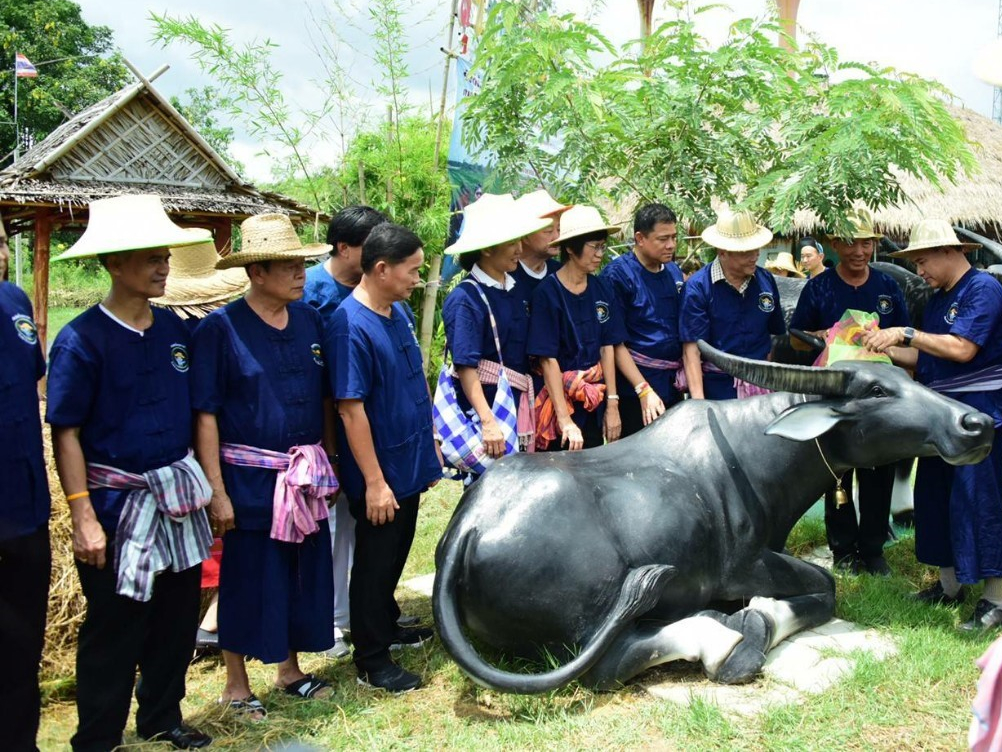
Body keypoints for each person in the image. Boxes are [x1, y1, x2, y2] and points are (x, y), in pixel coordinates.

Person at [46, 195, 214, 751]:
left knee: (174, 618)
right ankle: (97, 737)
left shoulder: (174, 334)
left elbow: (197, 415)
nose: (164, 266)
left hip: (176, 496)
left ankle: (163, 716)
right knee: (115, 628)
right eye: (151, 257)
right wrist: (83, 515)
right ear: (115, 264)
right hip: (119, 507)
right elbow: (65, 431)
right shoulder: (82, 341)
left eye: (166, 256)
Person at [191, 213, 338, 717]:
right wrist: (217, 490)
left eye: (302, 264)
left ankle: (289, 669)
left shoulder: (310, 321)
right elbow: (205, 415)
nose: (301, 273)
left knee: (298, 572)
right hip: (249, 479)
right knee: (248, 576)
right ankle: (235, 684)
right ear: (256, 273)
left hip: (305, 474)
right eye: (288, 266)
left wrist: (329, 461)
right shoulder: (220, 329)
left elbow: (324, 399)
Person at [863, 219, 1002, 628]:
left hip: (980, 416)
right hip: (939, 414)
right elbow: (925, 359)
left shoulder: (984, 289)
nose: (919, 271)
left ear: (949, 251)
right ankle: (948, 585)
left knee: (981, 503)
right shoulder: (939, 297)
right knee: (935, 498)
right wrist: (878, 346)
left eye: (922, 261)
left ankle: (995, 599)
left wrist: (906, 333)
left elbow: (962, 349)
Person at [329, 222, 444, 692]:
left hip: (409, 460)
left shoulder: (393, 311)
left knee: (397, 551)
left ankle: (388, 626)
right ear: (381, 269)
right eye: (412, 271)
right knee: (375, 563)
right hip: (381, 471)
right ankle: (372, 660)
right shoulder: (349, 325)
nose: (417, 279)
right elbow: (350, 410)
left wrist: (429, 446)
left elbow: (413, 386)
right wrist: (374, 482)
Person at [790, 207, 909, 577]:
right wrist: (825, 337)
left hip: (879, 399)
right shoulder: (819, 287)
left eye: (867, 243)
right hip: (836, 397)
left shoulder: (888, 286)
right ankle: (842, 548)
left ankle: (873, 548)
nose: (860, 251)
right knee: (836, 472)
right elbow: (795, 340)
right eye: (851, 243)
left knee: (879, 469)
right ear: (834, 244)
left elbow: (905, 337)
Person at [151, 234, 251, 653]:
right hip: (212, 440)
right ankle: (209, 618)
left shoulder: (173, 324)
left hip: (195, 440)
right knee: (219, 531)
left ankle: (208, 616)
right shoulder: (211, 326)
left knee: (216, 533)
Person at [303, 205, 389, 661]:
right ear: (343, 248)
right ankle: (332, 620)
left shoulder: (371, 288)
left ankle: (361, 613)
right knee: (334, 528)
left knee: (363, 526)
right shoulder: (312, 291)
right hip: (326, 424)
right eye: (369, 244)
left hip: (366, 422)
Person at [441, 193, 552, 472]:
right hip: (488, 407)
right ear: (487, 248)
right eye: (511, 242)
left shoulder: (518, 289)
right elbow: (466, 366)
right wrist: (488, 421)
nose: (519, 248)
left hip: (519, 402)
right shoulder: (466, 299)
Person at [0, 212, 52, 752]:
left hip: (24, 501)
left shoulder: (14, 300)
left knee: (21, 642)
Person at [527, 205, 626, 451]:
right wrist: (564, 419)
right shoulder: (547, 294)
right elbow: (547, 359)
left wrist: (612, 404)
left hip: (594, 398)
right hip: (559, 398)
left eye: (603, 246)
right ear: (570, 248)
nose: (599, 254)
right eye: (594, 247)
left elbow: (608, 347)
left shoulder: (602, 288)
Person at [679, 208, 785, 400]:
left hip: (761, 386)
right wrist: (699, 403)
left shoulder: (766, 281)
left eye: (756, 249)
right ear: (723, 252)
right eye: (746, 252)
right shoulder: (699, 288)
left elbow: (772, 337)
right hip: (718, 389)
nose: (754, 256)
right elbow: (691, 350)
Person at [601, 203, 684, 436]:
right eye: (663, 239)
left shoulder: (674, 272)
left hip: (672, 383)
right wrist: (642, 389)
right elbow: (614, 341)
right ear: (640, 238)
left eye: (674, 237)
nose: (671, 245)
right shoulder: (617, 275)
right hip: (636, 387)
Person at [511, 189, 572, 298]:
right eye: (548, 231)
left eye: (559, 229)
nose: (557, 237)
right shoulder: (506, 276)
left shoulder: (562, 273)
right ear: (525, 235)